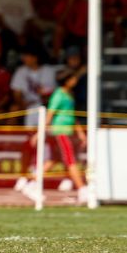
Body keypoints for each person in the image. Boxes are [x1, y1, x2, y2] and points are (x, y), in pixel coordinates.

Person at [11, 47, 58, 193]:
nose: (25, 59)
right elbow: (16, 93)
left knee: (48, 144)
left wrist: (44, 95)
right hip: (31, 111)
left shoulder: (49, 71)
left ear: (35, 57)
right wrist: (22, 105)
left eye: (27, 55)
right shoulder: (21, 71)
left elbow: (51, 93)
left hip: (47, 110)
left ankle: (37, 175)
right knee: (30, 143)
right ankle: (25, 175)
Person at [47, 69, 89, 203]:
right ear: (67, 81)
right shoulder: (58, 95)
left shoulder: (69, 94)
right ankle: (82, 189)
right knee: (71, 160)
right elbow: (50, 114)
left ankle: (31, 182)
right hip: (61, 131)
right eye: (73, 78)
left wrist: (80, 132)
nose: (75, 81)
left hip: (68, 131)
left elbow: (71, 115)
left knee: (54, 159)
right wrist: (39, 132)